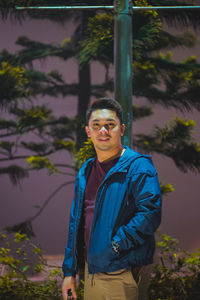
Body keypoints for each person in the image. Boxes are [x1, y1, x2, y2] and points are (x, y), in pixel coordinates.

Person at [62, 98, 162, 300]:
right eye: (96, 125)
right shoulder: (86, 171)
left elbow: (150, 213)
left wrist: (116, 245)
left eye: (110, 125)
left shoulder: (138, 167)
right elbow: (76, 224)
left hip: (121, 268)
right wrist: (69, 272)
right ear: (88, 131)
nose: (103, 131)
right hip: (93, 269)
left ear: (122, 129)